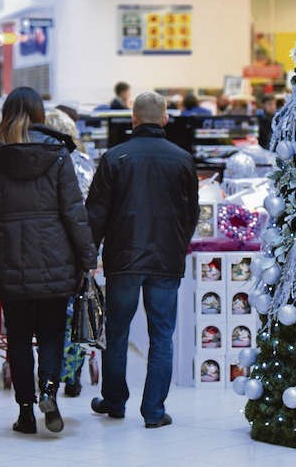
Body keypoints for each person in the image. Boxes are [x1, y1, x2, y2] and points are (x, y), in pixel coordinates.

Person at [0, 87, 97, 435]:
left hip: (9, 256)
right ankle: (50, 392)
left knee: (17, 338)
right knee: (51, 334)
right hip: (55, 257)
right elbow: (74, 213)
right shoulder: (58, 155)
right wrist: (87, 258)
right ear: (39, 113)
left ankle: (25, 410)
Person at [86, 91, 199, 428]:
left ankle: (114, 401)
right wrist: (178, 244)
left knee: (117, 331)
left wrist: (90, 252)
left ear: (133, 118)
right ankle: (153, 411)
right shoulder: (181, 159)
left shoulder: (115, 157)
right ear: (164, 118)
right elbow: (190, 213)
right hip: (166, 258)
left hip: (123, 256)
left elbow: (96, 213)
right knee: (161, 335)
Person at [45, 108, 95, 398]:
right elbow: (88, 209)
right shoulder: (82, 162)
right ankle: (73, 374)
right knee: (75, 314)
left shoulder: (37, 160)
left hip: (44, 249)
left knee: (49, 317)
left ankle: (49, 374)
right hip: (74, 249)